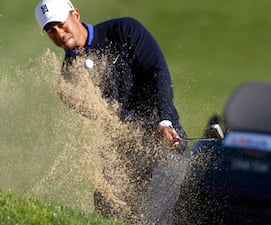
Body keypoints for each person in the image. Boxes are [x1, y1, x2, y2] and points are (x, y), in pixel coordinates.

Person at [34, 0, 187, 220]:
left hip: (167, 142)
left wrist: (164, 122)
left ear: (75, 15)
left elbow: (158, 73)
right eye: (50, 30)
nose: (58, 33)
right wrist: (148, 129)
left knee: (149, 219)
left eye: (60, 24)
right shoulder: (69, 80)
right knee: (104, 219)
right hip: (121, 155)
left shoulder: (124, 31)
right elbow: (110, 115)